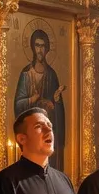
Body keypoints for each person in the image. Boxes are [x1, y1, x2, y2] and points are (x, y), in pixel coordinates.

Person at [13, 30, 66, 171]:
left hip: (46, 137)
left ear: (47, 48)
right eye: (37, 46)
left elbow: (58, 110)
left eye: (43, 46)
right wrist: (32, 99)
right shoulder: (26, 74)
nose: (40, 50)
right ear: (32, 47)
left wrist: (55, 102)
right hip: (31, 136)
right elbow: (18, 105)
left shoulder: (52, 74)